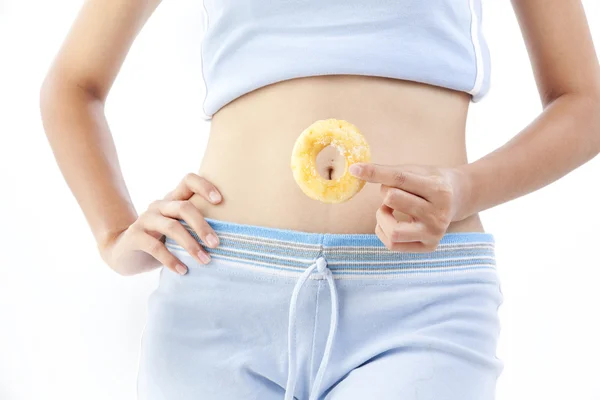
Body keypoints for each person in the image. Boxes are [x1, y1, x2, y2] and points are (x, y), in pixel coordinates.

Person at [40, 0, 600, 399]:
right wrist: (113, 234)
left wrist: (467, 189)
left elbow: (585, 102)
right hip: (217, 285)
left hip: (419, 300)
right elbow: (74, 83)